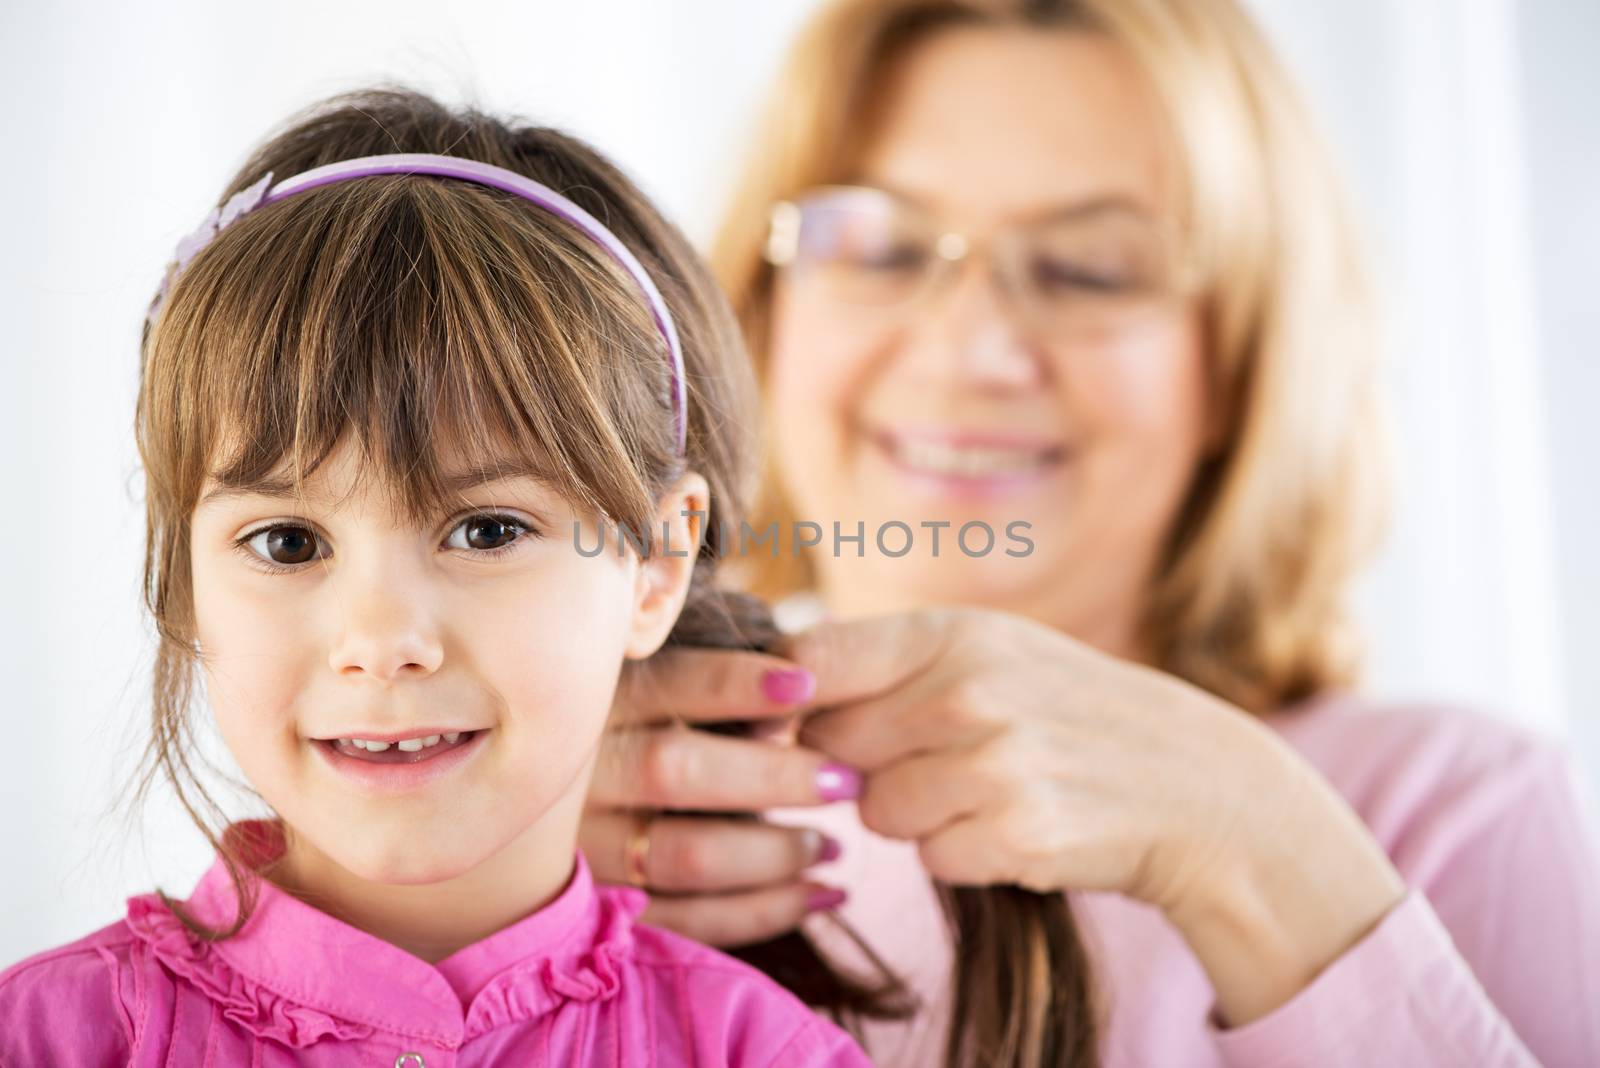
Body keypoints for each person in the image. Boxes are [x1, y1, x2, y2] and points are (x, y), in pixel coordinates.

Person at [577, 0, 1600, 1065]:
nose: (966, 348)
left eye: (1088, 270)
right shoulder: (563, 768)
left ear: (1243, 367)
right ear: (762, 308)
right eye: (879, 246)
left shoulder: (1454, 807)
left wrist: (1252, 851)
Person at [0, 87, 875, 1067]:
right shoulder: (43, 1040)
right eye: (287, 542)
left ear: (657, 564)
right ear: (185, 579)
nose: (378, 640)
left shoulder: (761, 1052)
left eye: (486, 529)